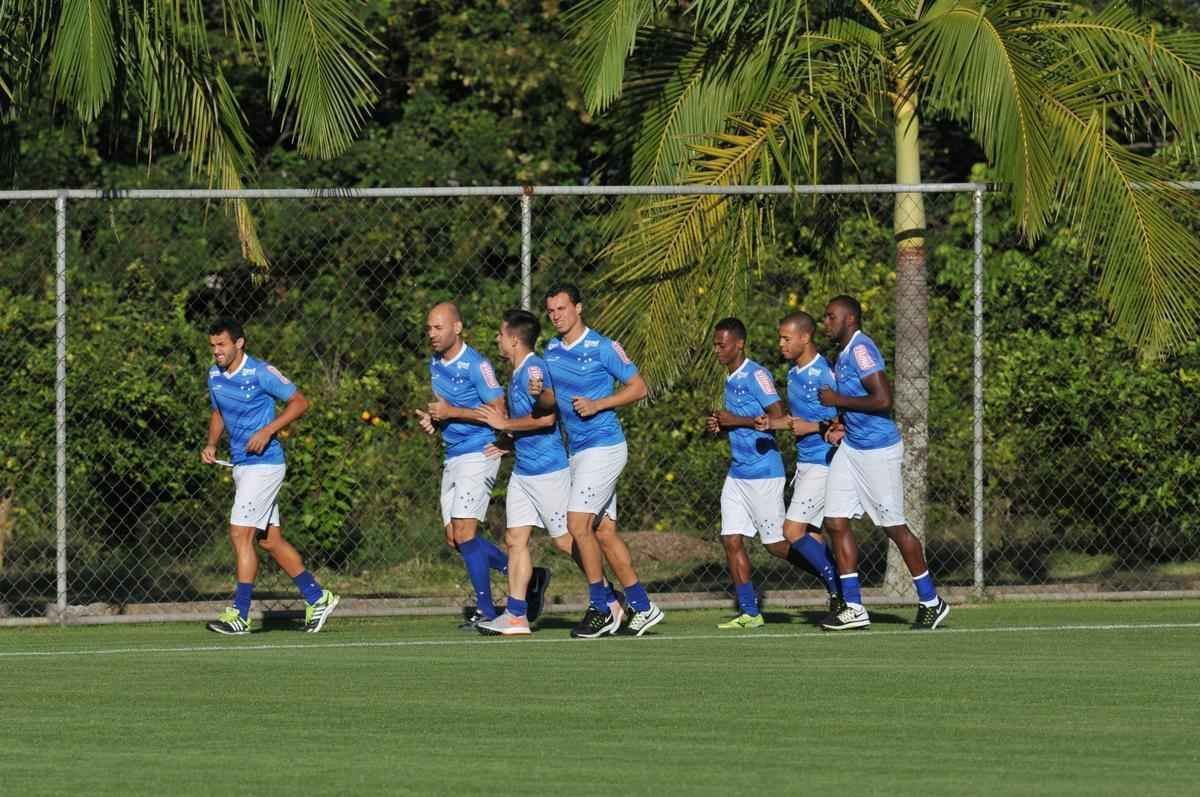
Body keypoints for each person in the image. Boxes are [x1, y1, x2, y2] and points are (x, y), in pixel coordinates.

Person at [817, 296, 950, 631]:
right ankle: (854, 607)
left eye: (831, 317)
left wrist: (836, 400)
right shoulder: (843, 354)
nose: (826, 323)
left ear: (849, 320)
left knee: (893, 526)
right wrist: (840, 422)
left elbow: (883, 399)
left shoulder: (861, 350)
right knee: (834, 520)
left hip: (878, 451)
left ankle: (932, 601)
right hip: (852, 448)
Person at [201, 318, 339, 635]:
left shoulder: (261, 372)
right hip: (241, 465)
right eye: (212, 346)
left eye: (221, 345)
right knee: (269, 540)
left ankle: (241, 614)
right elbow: (218, 412)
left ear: (239, 343)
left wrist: (268, 429)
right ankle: (318, 598)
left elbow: (299, 401)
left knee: (240, 534)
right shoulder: (214, 375)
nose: (216, 352)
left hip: (265, 466)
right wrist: (210, 444)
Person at [543, 284, 664, 638]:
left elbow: (639, 387)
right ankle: (642, 607)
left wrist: (599, 404)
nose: (556, 316)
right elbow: (553, 397)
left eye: (562, 308)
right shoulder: (551, 350)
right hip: (578, 452)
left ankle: (602, 606)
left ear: (578, 308)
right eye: (551, 311)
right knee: (605, 534)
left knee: (576, 526)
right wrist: (540, 393)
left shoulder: (602, 346)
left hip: (605, 446)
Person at [414, 302, 511, 629]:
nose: (432, 334)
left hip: (480, 452)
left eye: (438, 328)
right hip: (453, 454)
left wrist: (452, 414)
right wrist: (434, 420)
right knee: (455, 539)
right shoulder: (435, 363)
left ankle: (487, 611)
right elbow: (447, 409)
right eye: (429, 328)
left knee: (466, 533)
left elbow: (498, 410)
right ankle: (525, 573)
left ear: (457, 327)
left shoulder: (476, 365)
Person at [472, 309, 566, 636]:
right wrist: (507, 441)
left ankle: (609, 597)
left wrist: (505, 425)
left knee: (566, 542)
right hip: (524, 472)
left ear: (514, 339)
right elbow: (528, 423)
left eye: (500, 334)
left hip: (549, 470)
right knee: (515, 539)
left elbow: (547, 419)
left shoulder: (534, 370)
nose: (497, 339)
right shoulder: (517, 373)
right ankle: (516, 615)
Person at [754, 312, 844, 613]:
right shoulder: (793, 375)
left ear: (805, 338)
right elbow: (796, 421)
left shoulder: (824, 373)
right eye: (780, 338)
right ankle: (839, 596)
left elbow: (843, 419)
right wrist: (771, 423)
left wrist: (816, 428)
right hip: (806, 463)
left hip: (825, 461)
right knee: (814, 537)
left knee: (792, 531)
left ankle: (840, 587)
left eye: (786, 338)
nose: (781, 344)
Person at [706, 318, 789, 629]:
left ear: (739, 343)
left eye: (722, 344)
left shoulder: (757, 374)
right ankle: (750, 611)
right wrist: (719, 426)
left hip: (764, 472)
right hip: (738, 474)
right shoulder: (729, 378)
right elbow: (735, 422)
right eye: (715, 344)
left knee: (777, 546)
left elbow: (778, 416)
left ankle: (831, 574)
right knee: (730, 538)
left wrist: (734, 421)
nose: (717, 350)